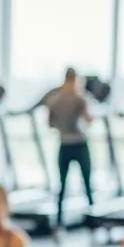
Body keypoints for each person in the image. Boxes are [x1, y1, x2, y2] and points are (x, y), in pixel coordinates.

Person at [45, 67, 93, 231]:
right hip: (79, 144)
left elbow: (50, 123)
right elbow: (89, 119)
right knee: (87, 184)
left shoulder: (54, 99)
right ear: (76, 79)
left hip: (64, 144)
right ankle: (92, 221)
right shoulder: (81, 98)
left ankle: (59, 223)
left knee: (62, 185)